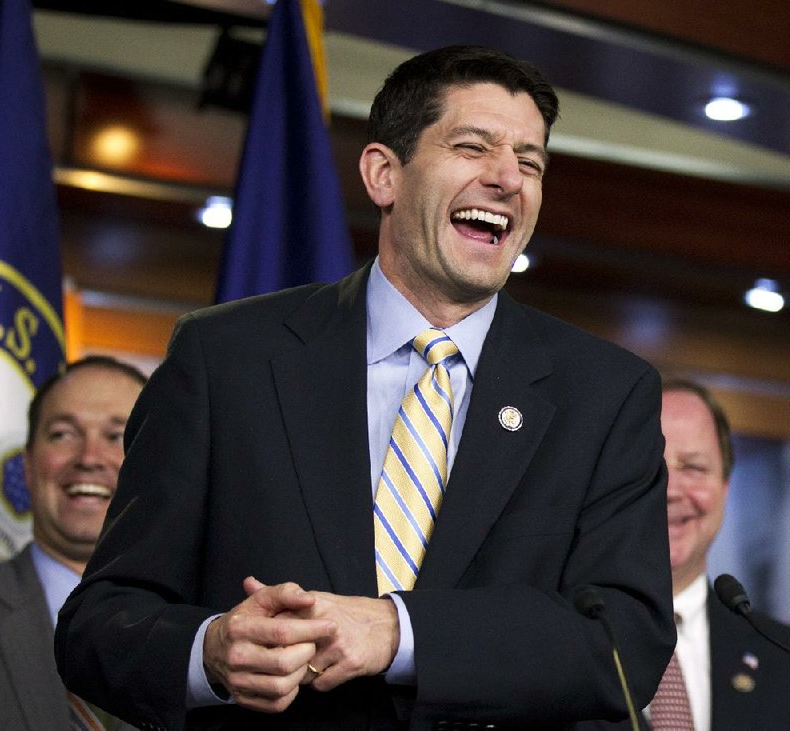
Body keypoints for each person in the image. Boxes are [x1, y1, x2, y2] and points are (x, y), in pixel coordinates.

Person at [55, 46, 675, 730]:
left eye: (530, 162)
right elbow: (99, 623)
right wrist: (210, 652)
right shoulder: (225, 358)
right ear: (384, 174)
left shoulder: (606, 395)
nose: (508, 178)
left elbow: (625, 641)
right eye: (474, 146)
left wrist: (398, 629)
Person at [586, 377, 790, 730]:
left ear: (725, 486)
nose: (670, 490)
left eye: (694, 467)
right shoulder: (555, 638)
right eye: (651, 467)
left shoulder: (781, 657)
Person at [0, 356, 146, 730]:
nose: (89, 459)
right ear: (27, 466)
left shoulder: (215, 624)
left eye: (117, 436)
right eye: (63, 434)